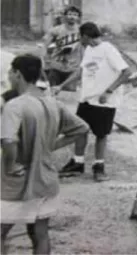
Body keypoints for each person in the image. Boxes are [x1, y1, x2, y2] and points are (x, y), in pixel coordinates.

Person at [0, 54, 89, 254]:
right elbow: (82, 128)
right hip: (46, 178)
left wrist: (10, 165)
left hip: (18, 182)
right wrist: (49, 146)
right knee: (40, 233)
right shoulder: (53, 103)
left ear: (17, 74)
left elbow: (8, 140)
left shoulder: (15, 105)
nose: (9, 78)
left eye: (10, 73)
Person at [56, 22, 132, 182]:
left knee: (101, 134)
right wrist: (61, 86)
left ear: (85, 36)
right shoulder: (89, 49)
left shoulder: (109, 49)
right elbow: (81, 70)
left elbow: (126, 72)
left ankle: (99, 166)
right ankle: (78, 163)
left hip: (104, 101)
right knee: (79, 130)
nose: (79, 39)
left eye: (80, 36)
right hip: (87, 99)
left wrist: (109, 91)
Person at [42, 5, 83, 89]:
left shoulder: (81, 31)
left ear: (78, 17)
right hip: (56, 66)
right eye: (70, 14)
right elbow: (45, 46)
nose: (72, 17)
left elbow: (85, 48)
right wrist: (45, 61)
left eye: (75, 15)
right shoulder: (56, 30)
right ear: (65, 16)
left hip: (73, 67)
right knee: (52, 91)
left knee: (69, 94)